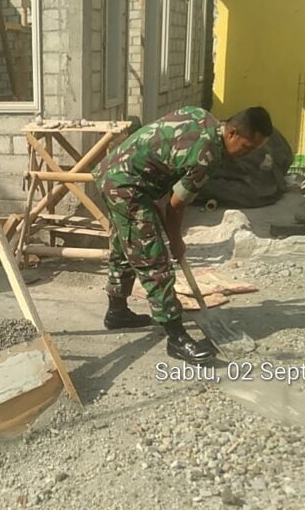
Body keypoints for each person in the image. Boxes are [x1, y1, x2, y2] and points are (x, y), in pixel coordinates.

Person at [93, 106, 272, 363]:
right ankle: (176, 338)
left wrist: (150, 189)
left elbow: (165, 156)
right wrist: (176, 242)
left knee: (127, 246)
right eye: (246, 147)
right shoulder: (207, 155)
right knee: (153, 259)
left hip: (116, 172)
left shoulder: (201, 117)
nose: (247, 154)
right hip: (125, 185)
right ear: (231, 132)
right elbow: (175, 206)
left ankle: (117, 312)